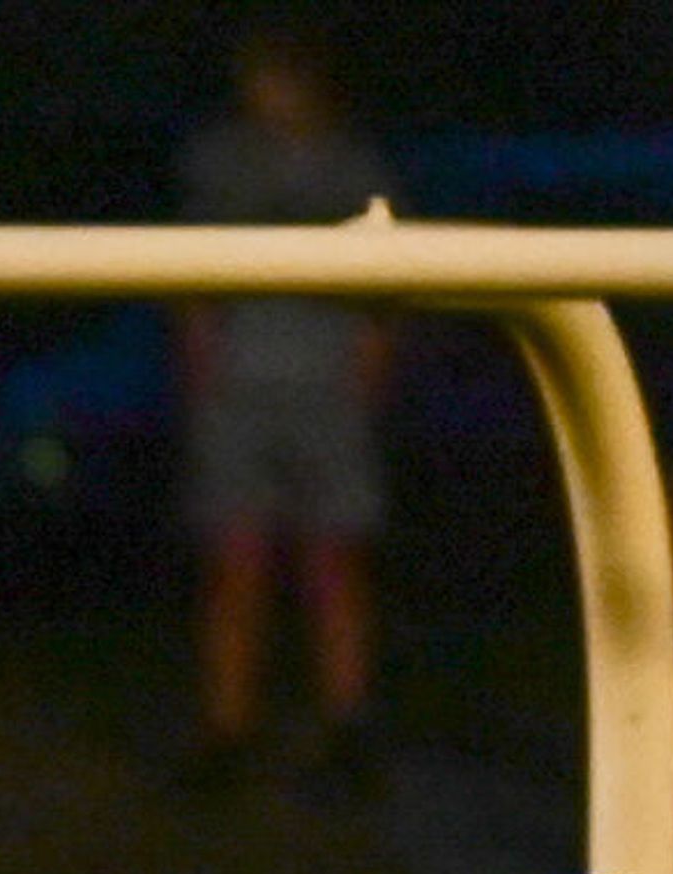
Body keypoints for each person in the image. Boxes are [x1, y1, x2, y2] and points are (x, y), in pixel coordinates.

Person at [177, 20, 398, 787]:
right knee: (234, 565)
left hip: (327, 390)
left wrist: (370, 364)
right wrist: (202, 368)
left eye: (280, 73)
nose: (266, 90)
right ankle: (226, 732)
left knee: (333, 564)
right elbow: (193, 279)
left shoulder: (356, 163)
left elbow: (384, 287)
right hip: (240, 390)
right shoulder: (216, 160)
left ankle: (346, 731)